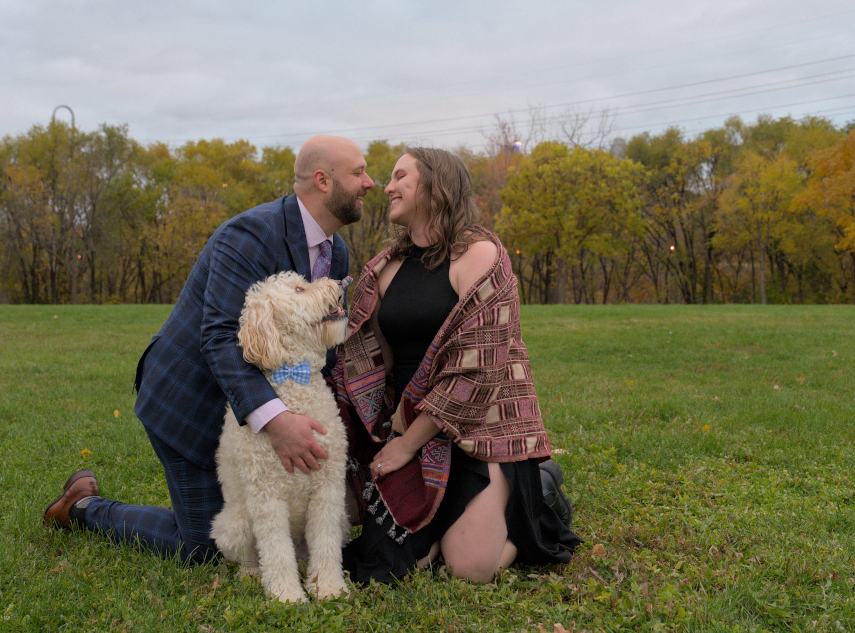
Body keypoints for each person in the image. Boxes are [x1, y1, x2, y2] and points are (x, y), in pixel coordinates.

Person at [43, 135, 375, 563]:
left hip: (249, 420)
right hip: (191, 404)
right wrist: (276, 423)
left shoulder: (338, 253)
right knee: (209, 545)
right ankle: (83, 509)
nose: (370, 182)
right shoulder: (251, 235)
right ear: (323, 180)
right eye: (359, 172)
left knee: (267, 524)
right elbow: (219, 337)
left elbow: (318, 347)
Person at [334, 147, 580, 584]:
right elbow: (373, 365)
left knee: (469, 569)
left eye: (399, 176)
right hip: (411, 427)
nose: (386, 187)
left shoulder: (481, 256)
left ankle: (538, 492)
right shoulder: (383, 270)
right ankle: (450, 520)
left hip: (480, 429)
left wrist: (406, 446)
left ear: (434, 184)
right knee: (394, 566)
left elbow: (477, 371)